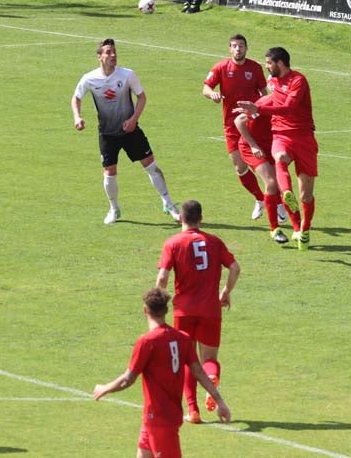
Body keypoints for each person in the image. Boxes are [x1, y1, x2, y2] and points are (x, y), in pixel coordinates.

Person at [93, 287, 230, 458]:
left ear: (145, 310)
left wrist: (104, 388)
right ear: (166, 310)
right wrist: (220, 401)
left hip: (159, 421)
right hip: (157, 419)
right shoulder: (183, 339)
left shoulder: (147, 342)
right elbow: (199, 373)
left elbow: (127, 379)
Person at [73, 38, 181, 225]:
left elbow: (142, 98)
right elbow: (76, 98)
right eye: (108, 52)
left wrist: (133, 120)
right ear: (99, 57)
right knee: (109, 171)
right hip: (107, 134)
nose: (113, 55)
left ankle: (169, 203)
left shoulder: (127, 75)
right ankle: (114, 209)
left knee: (151, 165)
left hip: (130, 131)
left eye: (114, 51)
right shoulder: (89, 78)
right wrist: (77, 117)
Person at [156, 200, 240, 423]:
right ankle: (211, 375)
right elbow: (235, 267)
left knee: (187, 360)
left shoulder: (172, 243)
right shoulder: (214, 242)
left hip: (183, 311)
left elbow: (163, 277)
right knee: (209, 358)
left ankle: (193, 410)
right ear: (201, 219)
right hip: (211, 309)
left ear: (181, 218)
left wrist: (158, 300)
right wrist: (226, 291)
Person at [236, 47, 318, 251]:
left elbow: (288, 107)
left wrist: (258, 108)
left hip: (304, 137)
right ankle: (285, 199)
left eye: (269, 63)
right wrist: (255, 108)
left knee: (306, 195)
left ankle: (304, 230)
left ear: (280, 63)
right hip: (280, 135)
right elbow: (249, 114)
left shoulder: (298, 80)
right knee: (280, 160)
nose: (266, 66)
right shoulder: (272, 83)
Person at [202, 34, 286, 224]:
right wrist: (212, 94)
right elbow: (205, 87)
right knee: (240, 167)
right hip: (232, 126)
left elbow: (264, 93)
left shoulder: (255, 68)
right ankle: (260, 199)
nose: (238, 49)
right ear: (229, 49)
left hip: (254, 124)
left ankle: (279, 203)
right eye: (234, 46)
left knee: (265, 167)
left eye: (241, 46)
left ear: (246, 48)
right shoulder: (221, 67)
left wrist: (267, 114)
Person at [234, 111, 291, 244]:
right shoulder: (267, 104)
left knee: (281, 184)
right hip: (252, 147)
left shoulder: (290, 106)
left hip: (272, 146)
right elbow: (239, 121)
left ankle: (293, 223)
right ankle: (274, 229)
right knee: (271, 182)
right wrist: (253, 145)